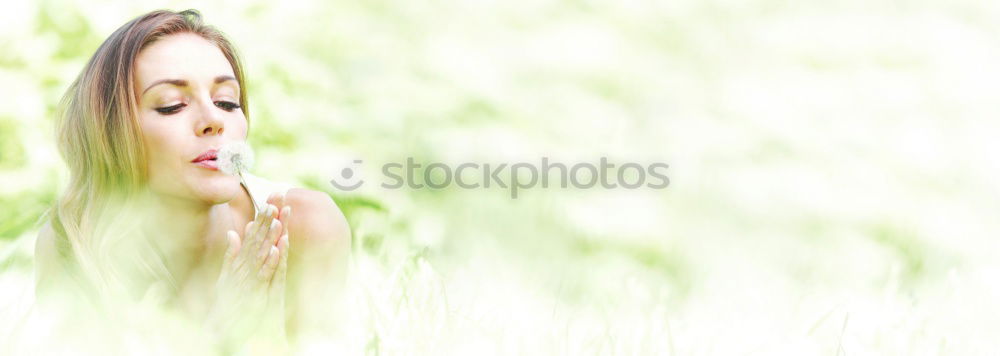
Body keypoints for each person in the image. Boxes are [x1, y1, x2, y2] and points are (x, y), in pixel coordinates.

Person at [32, 9, 351, 352]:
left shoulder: (305, 227)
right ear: (111, 132)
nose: (214, 119)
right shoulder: (74, 242)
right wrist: (216, 341)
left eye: (227, 101)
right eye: (172, 105)